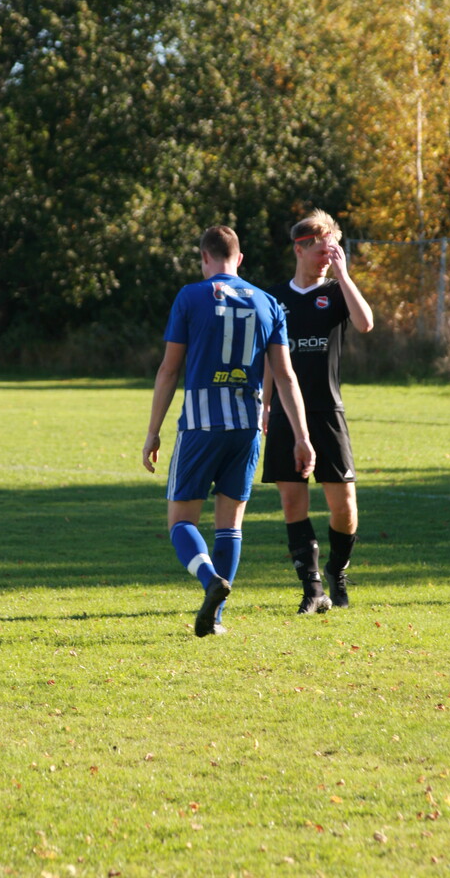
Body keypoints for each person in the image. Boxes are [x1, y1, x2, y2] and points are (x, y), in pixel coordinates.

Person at [142, 225, 315, 637]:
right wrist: (302, 437)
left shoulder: (190, 296)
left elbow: (169, 370)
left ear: (205, 257)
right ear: (240, 259)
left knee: (180, 522)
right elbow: (285, 376)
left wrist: (153, 431)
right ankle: (215, 619)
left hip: (201, 425)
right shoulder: (269, 302)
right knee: (230, 524)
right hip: (247, 427)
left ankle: (209, 581)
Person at [262, 209, 374, 614]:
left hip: (328, 412)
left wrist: (343, 276)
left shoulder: (337, 292)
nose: (329, 258)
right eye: (323, 252)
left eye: (334, 251)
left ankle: (337, 571)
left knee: (344, 507)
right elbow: (269, 358)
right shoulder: (274, 298)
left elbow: (365, 323)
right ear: (300, 249)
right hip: (286, 415)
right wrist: (264, 402)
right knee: (293, 504)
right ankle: (312, 589)